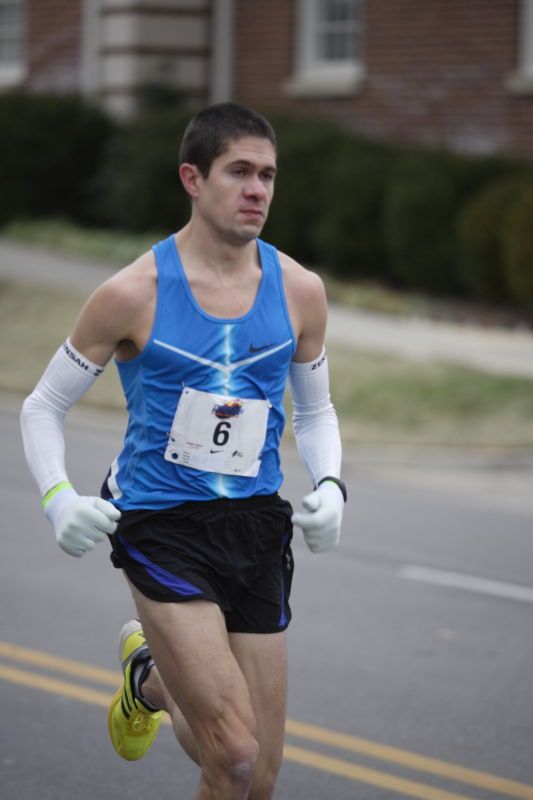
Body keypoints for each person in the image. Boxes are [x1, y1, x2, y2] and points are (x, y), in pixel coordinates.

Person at [20, 102, 346, 800]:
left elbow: (316, 410)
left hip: (255, 525)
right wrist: (57, 500)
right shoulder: (131, 294)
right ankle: (162, 670)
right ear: (192, 179)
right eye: (239, 172)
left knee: (256, 775)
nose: (257, 189)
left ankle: (150, 680)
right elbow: (42, 406)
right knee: (230, 757)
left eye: (267, 175)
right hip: (159, 522)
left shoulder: (300, 291)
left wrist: (332, 484)